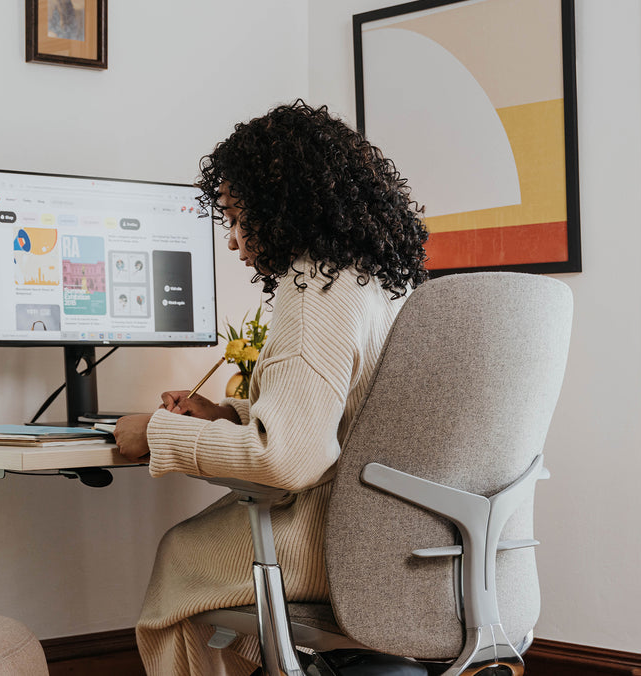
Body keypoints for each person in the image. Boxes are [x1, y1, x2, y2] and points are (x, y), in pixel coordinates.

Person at [111, 100, 430, 675]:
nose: (232, 241)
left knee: (179, 561)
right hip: (403, 530)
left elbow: (285, 460)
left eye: (237, 216)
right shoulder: (375, 276)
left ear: (283, 207)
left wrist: (156, 434)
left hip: (330, 540)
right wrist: (228, 415)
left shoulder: (312, 288)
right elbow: (344, 413)